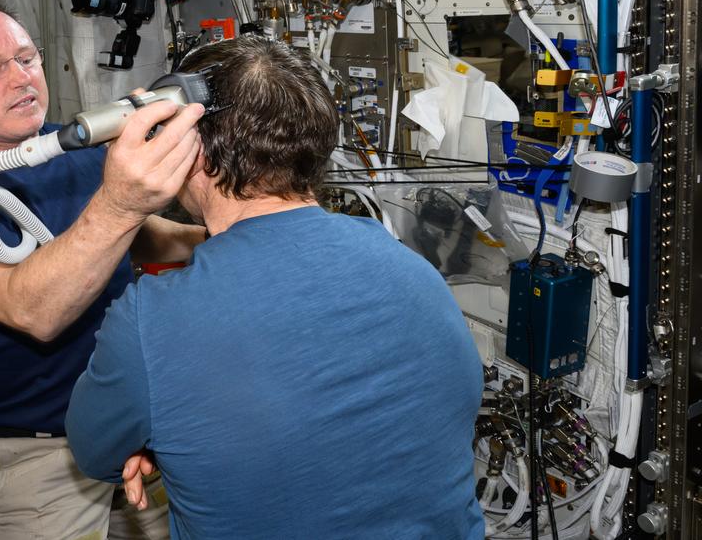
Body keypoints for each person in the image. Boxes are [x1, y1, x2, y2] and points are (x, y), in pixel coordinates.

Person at [66, 35, 485, 540]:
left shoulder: (151, 323)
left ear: (190, 148)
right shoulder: (415, 271)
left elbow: (95, 451)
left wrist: (151, 438)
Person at [0, 0, 207, 539]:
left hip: (135, 424)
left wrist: (222, 235)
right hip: (39, 455)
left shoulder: (71, 147)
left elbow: (134, 236)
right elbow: (34, 311)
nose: (21, 78)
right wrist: (120, 203)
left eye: (27, 58)